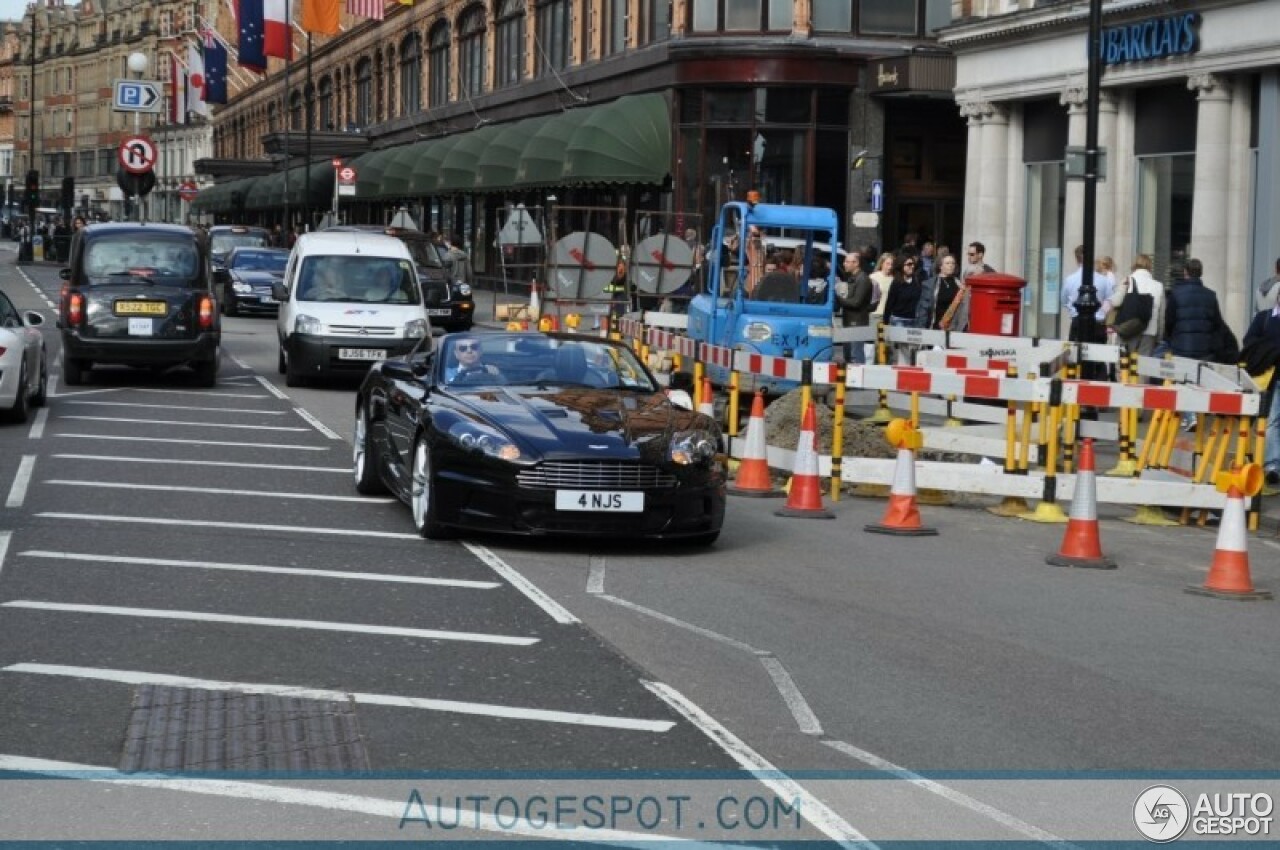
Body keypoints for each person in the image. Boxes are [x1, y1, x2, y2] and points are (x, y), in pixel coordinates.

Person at [1241, 288, 1280, 485]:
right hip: (1269, 376)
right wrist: (1269, 351)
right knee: (1272, 419)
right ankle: (1272, 465)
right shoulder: (1264, 318)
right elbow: (1249, 340)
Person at [1109, 254, 1164, 357]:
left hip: (1128, 329)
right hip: (1149, 333)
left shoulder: (1127, 280)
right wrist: (1159, 337)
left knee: (1124, 366)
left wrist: (1122, 289)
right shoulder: (1158, 286)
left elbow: (1116, 302)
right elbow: (1161, 317)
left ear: (1135, 265)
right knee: (1143, 369)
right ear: (1149, 267)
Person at [835, 250, 873, 363]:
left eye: (847, 261)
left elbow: (856, 302)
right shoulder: (852, 277)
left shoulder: (863, 279)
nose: (844, 264)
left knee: (855, 354)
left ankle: (858, 378)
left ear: (856, 263)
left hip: (857, 322)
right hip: (849, 320)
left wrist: (838, 299)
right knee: (848, 354)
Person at [916, 254, 969, 332]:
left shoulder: (959, 284)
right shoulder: (930, 284)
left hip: (954, 329)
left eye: (953, 263)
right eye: (947, 263)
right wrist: (921, 331)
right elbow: (923, 310)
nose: (951, 265)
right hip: (936, 327)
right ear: (940, 266)